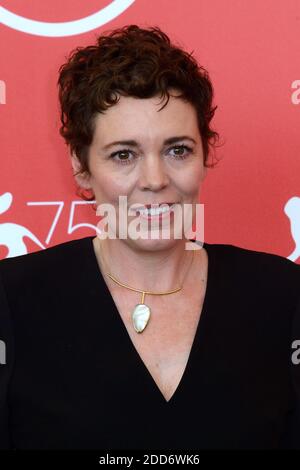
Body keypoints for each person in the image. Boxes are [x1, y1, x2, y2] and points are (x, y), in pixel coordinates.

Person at [0, 24, 299, 450]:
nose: (155, 180)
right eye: (124, 155)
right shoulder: (12, 299)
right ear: (82, 166)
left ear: (204, 153)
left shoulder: (281, 295)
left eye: (178, 149)